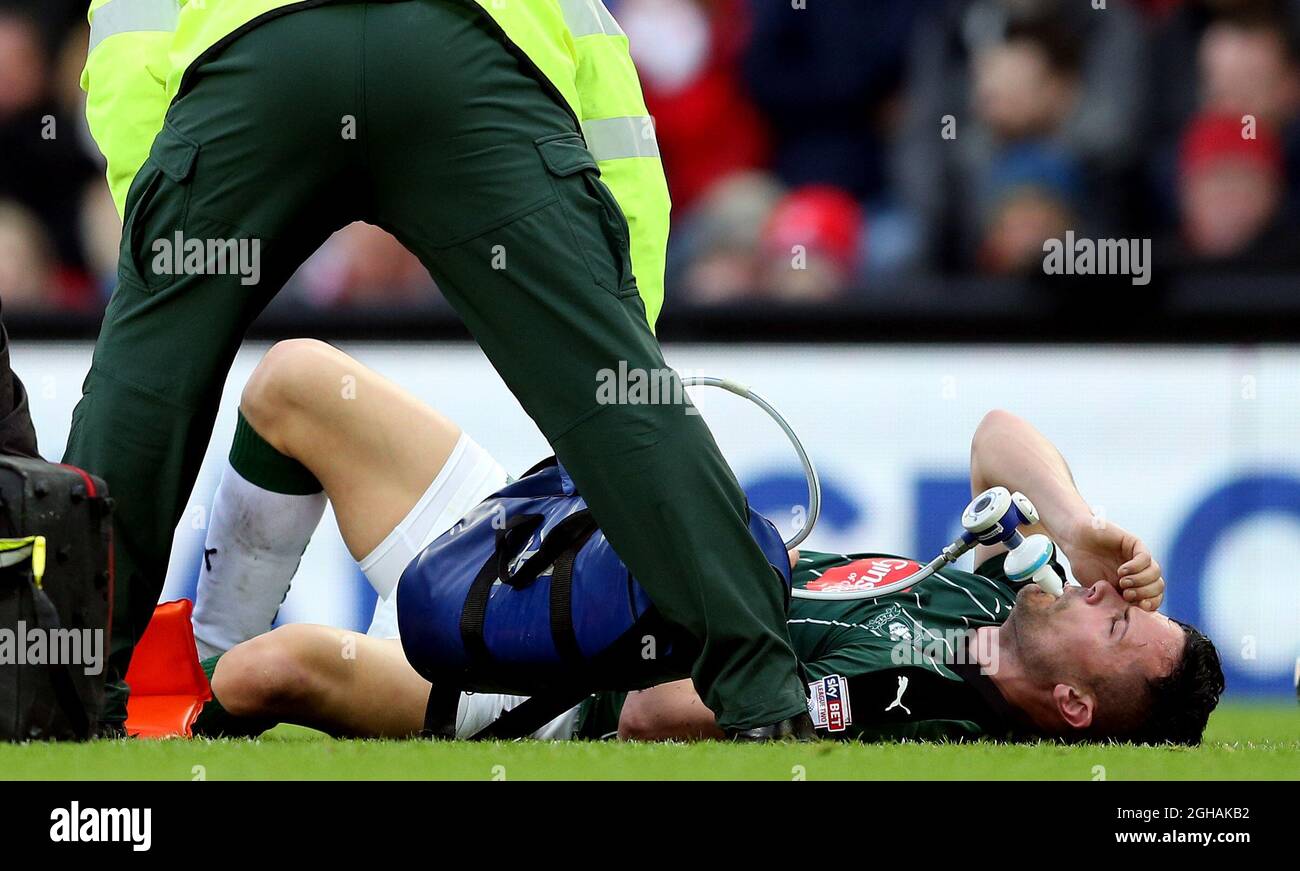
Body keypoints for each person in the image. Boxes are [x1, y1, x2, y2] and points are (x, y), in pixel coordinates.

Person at [69, 0, 808, 737]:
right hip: (462, 54)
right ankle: (764, 700)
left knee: (143, 395)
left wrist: (157, 246)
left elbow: (132, 33)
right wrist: (621, 341)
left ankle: (62, 693)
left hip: (259, 54)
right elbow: (606, 87)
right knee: (617, 393)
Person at [189, 340, 1224, 745]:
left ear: (1076, 704)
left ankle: (186, 709)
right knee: (294, 381)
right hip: (578, 555)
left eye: (1123, 622)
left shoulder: (927, 711)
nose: (1101, 595)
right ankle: (178, 658)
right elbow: (998, 433)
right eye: (1117, 594)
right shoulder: (990, 605)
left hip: (547, 666)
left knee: (270, 668)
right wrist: (1077, 525)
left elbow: (654, 713)